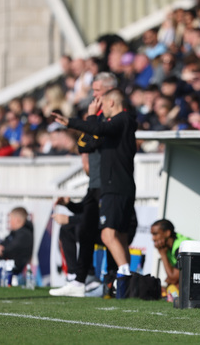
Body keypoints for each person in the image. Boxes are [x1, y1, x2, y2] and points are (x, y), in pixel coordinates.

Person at [52, 88, 138, 288]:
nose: (100, 108)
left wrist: (81, 120)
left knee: (108, 235)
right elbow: (86, 145)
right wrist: (81, 124)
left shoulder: (122, 120)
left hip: (114, 187)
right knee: (120, 236)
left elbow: (97, 130)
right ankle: (124, 279)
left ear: (111, 103)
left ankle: (123, 276)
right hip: (120, 187)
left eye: (102, 102)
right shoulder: (114, 127)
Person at [49, 72, 119, 297]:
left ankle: (111, 279)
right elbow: (84, 144)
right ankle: (81, 280)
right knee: (87, 229)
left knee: (109, 232)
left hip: (109, 183)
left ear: (109, 91)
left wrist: (89, 124)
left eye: (97, 90)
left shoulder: (114, 117)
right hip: (96, 183)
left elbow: (90, 140)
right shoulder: (97, 117)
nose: (93, 94)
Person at [0, 207, 33, 275]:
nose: (9, 222)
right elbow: (2, 245)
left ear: (17, 220)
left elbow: (8, 250)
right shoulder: (14, 233)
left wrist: (0, 249)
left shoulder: (24, 235)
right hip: (5, 263)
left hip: (13, 268)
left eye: (10, 219)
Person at [150, 219, 192, 289]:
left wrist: (163, 254)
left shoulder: (181, 248)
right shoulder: (169, 246)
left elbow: (173, 278)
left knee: (175, 286)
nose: (153, 238)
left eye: (155, 234)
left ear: (167, 233)